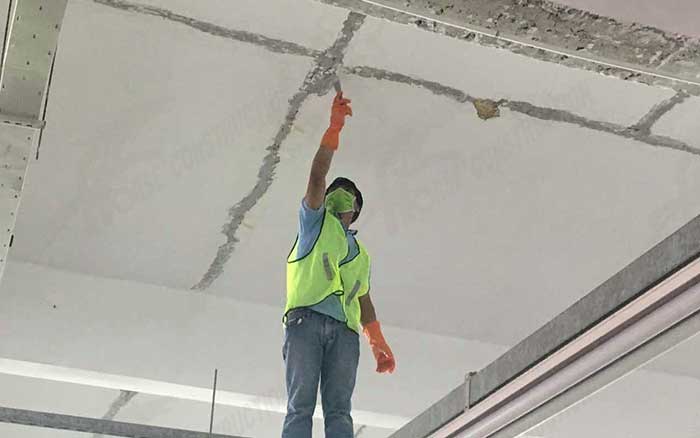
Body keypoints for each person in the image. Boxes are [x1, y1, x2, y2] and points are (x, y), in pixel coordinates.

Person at [282, 91, 396, 438]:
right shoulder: (315, 224)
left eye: (347, 194)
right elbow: (317, 177)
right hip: (306, 322)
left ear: (355, 210)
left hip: (345, 334)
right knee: (300, 407)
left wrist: (377, 340)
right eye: (336, 191)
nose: (338, 194)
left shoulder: (361, 255)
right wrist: (334, 129)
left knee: (339, 412)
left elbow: (363, 298)